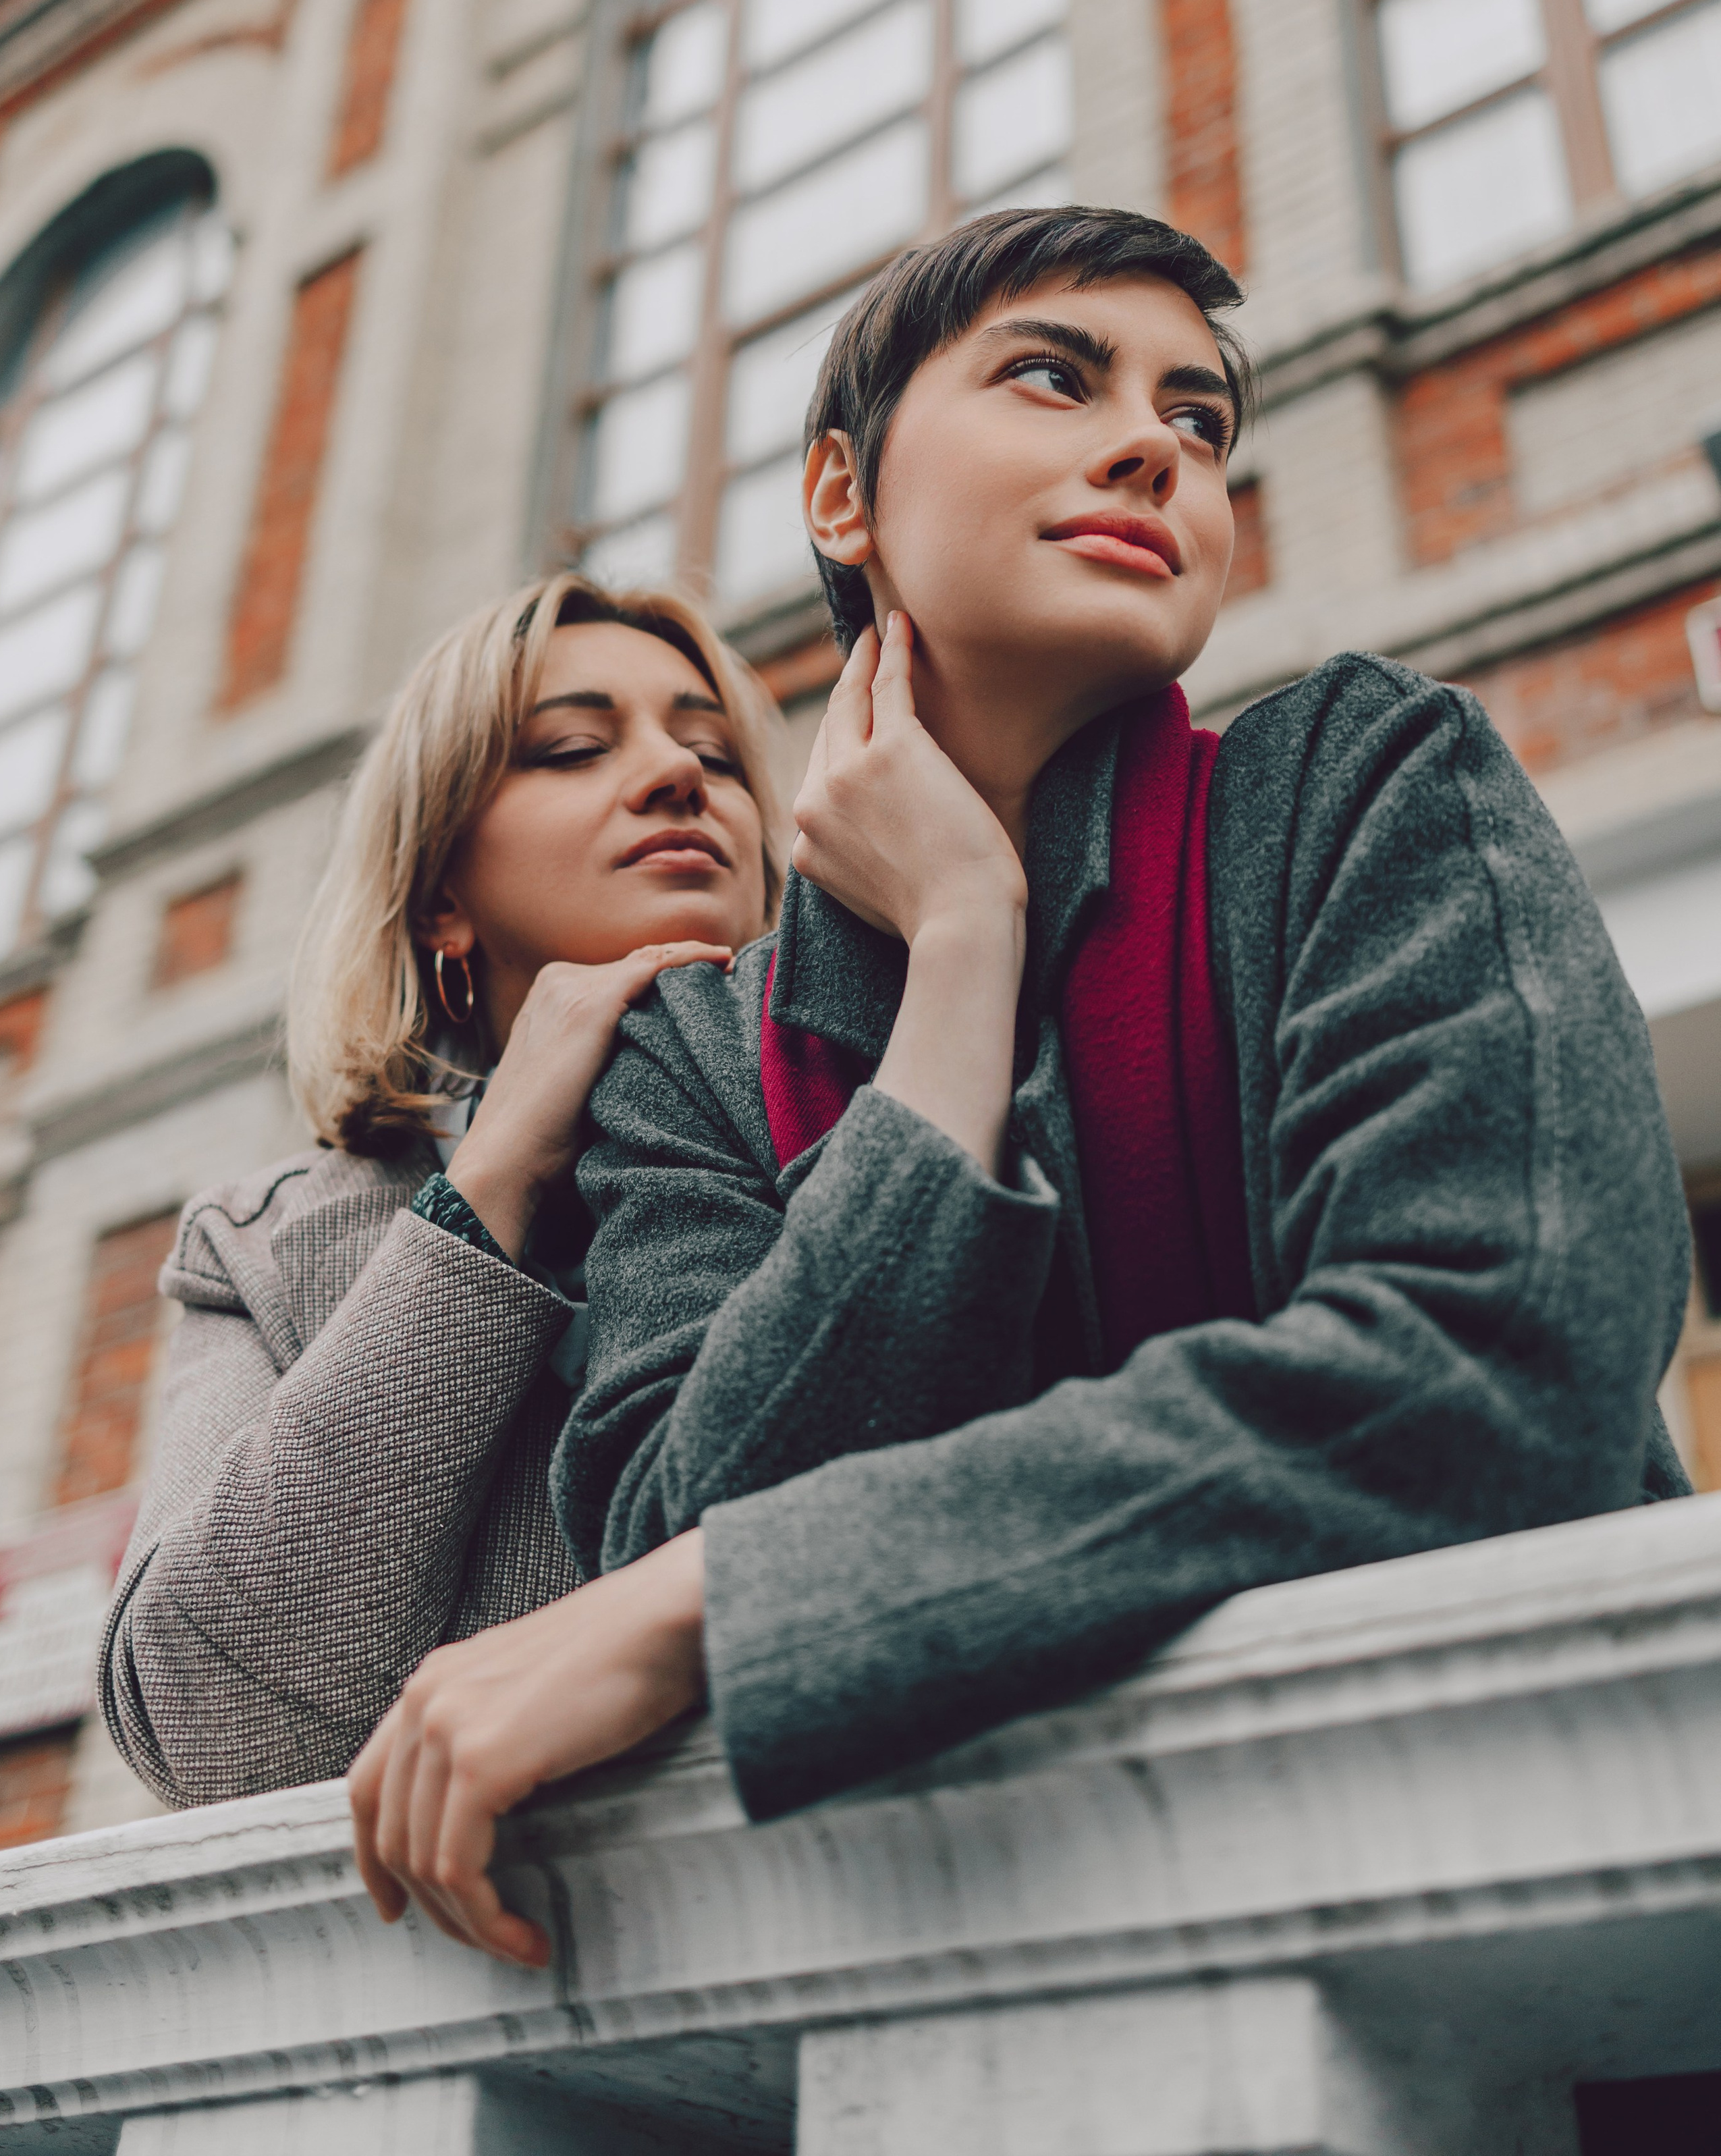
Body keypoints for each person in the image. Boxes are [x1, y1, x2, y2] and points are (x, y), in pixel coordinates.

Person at [347, 207, 1691, 1969]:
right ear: (843, 493)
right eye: (1054, 378)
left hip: (1551, 1935)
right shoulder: (690, 1056)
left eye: (1202, 420)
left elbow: (1500, 1359)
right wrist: (961, 972)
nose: (1155, 443)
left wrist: (730, 1608)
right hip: (983, 1983)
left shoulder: (1369, 784)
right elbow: (670, 1516)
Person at [100, 572, 780, 1805]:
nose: (679, 776)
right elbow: (216, 1736)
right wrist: (491, 1185)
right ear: (441, 898)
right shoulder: (265, 1248)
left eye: (716, 751)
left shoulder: (903, 1108)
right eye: (573, 747)